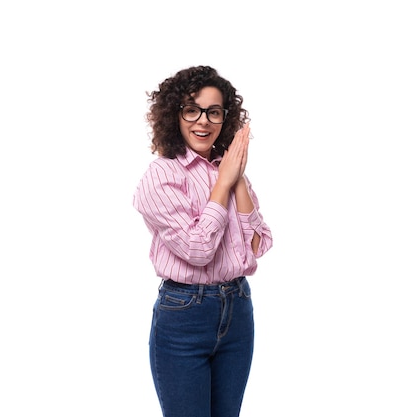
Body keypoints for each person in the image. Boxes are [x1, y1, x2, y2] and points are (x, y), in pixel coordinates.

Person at [133, 65, 273, 417]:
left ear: (225, 118)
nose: (203, 121)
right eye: (191, 109)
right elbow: (197, 250)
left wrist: (237, 180)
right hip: (184, 316)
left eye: (214, 112)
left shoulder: (227, 169)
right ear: (175, 115)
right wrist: (223, 185)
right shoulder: (161, 176)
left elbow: (259, 244)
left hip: (237, 308)